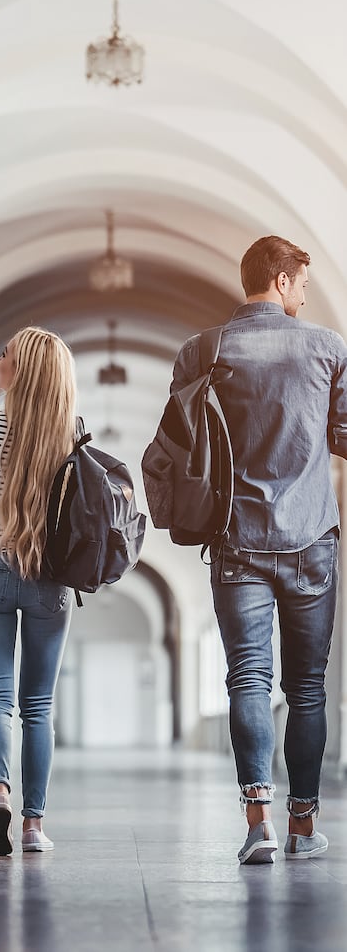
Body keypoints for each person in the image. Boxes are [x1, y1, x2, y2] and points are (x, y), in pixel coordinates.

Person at [166, 235, 347, 864]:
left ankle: (258, 823)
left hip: (236, 542)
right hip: (312, 543)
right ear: (279, 278)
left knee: (247, 677)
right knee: (307, 690)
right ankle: (304, 827)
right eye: (301, 279)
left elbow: (183, 445)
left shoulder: (203, 352)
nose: (304, 291)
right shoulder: (327, 348)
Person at [0, 326, 76, 856]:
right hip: (48, 577)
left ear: (20, 370)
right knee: (38, 707)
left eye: (4, 353)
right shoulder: (69, 431)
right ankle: (33, 826)